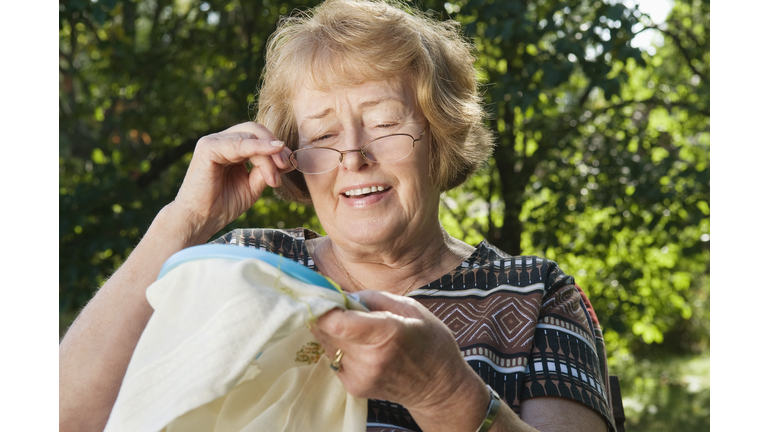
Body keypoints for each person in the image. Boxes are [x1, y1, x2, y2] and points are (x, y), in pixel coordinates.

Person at [59, 1, 617, 431]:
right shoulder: (248, 265)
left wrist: (446, 394)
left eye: (383, 122)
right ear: (291, 155)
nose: (353, 156)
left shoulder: (533, 292)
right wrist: (185, 220)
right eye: (322, 133)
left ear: (438, 137)